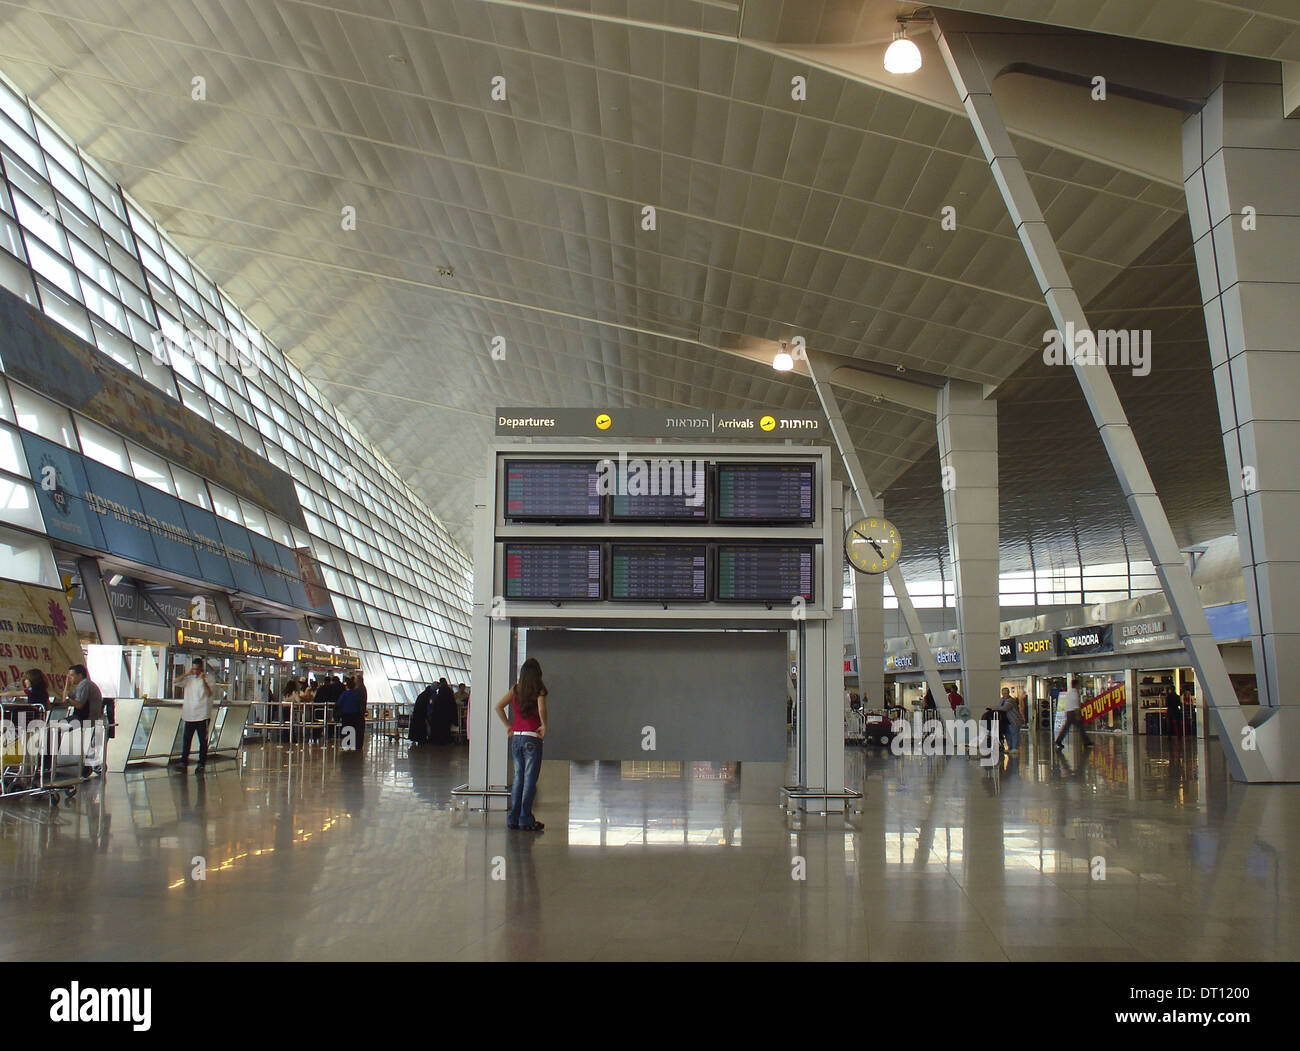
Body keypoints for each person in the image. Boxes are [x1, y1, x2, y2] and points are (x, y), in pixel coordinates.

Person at [495, 657, 548, 832]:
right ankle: (526, 819)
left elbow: (498, 707)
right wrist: (544, 724)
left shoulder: (515, 690)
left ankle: (513, 818)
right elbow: (541, 709)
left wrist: (509, 726)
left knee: (518, 778)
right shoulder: (539, 690)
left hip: (516, 738)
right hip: (532, 737)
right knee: (529, 780)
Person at [179, 658, 213, 772]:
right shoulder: (188, 679)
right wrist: (187, 674)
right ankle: (184, 761)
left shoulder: (209, 679)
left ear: (202, 669)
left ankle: (201, 763)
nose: (195, 671)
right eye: (193, 669)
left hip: (202, 715)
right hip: (189, 715)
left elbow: (209, 693)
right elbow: (176, 681)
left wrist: (203, 680)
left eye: (197, 669)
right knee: (186, 740)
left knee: (203, 741)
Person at [1054, 675, 1092, 749]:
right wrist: (1078, 715)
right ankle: (1086, 742)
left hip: (1069, 712)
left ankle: (1058, 740)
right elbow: (1076, 705)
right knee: (1080, 727)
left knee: (1067, 728)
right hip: (1073, 713)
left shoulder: (1069, 692)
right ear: (1076, 685)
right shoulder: (1075, 693)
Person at [338, 676, 365, 750]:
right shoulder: (356, 693)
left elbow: (339, 703)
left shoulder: (345, 693)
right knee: (352, 729)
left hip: (346, 713)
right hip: (354, 714)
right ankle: (352, 744)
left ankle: (346, 744)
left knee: (346, 728)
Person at [996, 687, 1025, 754]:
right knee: (1007, 735)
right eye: (1003, 693)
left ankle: (1015, 749)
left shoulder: (1011, 700)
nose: (1004, 694)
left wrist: (994, 708)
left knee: (1014, 734)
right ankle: (1010, 748)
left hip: (1013, 720)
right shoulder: (1001, 700)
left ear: (1008, 693)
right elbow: (1000, 707)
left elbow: (1005, 708)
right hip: (1006, 721)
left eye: (1005, 693)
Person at [431, 678, 457, 745]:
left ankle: (441, 741)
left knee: (441, 727)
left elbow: (438, 701)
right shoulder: (449, 690)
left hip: (441, 712)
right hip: (448, 712)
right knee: (447, 727)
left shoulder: (441, 690)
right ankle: (447, 740)